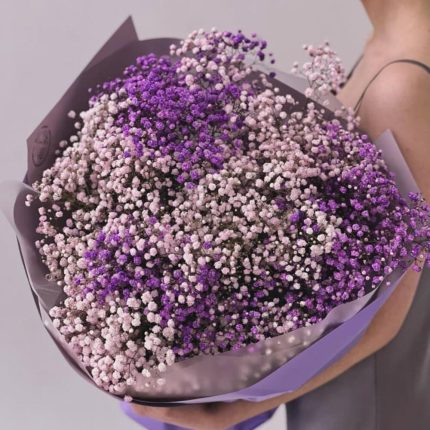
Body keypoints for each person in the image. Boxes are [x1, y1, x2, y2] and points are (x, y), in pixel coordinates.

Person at [129, 1, 430, 428]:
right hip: (349, 385)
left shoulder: (402, 81)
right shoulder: (388, 44)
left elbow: (384, 321)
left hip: (366, 399)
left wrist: (233, 411)